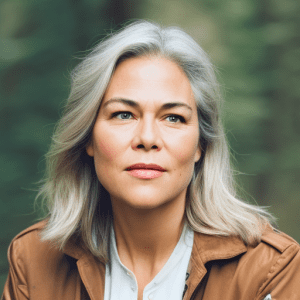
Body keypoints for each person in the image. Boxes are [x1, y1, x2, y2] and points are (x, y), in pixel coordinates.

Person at [1, 20, 300, 300]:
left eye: (173, 117)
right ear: (88, 137)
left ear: (201, 145)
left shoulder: (270, 269)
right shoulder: (33, 260)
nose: (147, 137)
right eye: (123, 114)